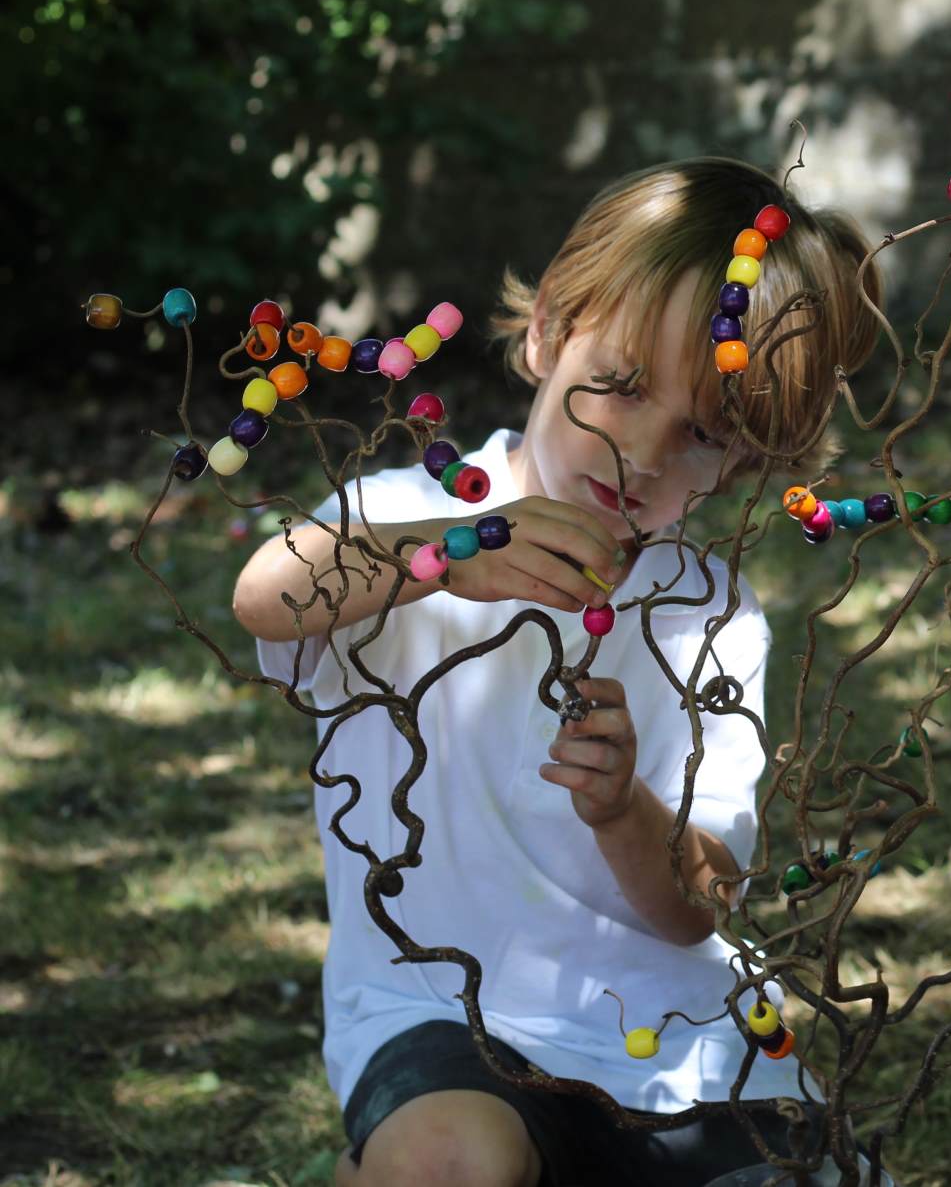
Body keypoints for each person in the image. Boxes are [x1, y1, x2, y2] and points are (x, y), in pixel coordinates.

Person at [233, 158, 883, 1187]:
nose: (641, 452)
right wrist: (447, 552)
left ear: (746, 460)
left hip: (679, 1048)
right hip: (440, 1015)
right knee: (449, 1162)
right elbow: (267, 592)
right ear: (546, 333)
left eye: (701, 435)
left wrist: (624, 810)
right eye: (621, 385)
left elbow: (700, 901)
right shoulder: (413, 513)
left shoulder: (708, 614)